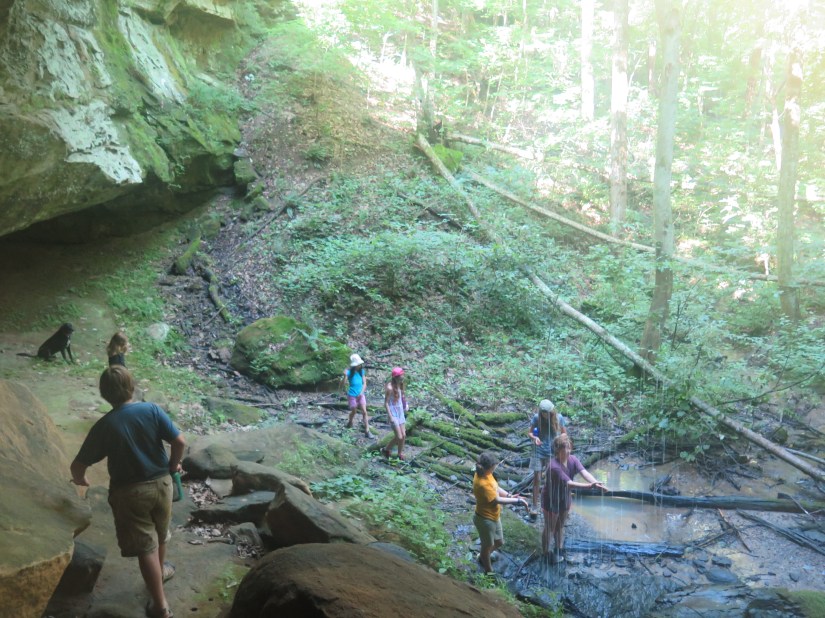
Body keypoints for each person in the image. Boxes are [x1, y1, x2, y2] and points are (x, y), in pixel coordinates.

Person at [70, 366, 186, 618]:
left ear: (104, 394)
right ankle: (160, 573)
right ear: (132, 387)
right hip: (163, 485)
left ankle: (160, 606)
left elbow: (78, 466)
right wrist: (173, 465)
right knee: (160, 534)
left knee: (145, 547)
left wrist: (81, 479)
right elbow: (179, 441)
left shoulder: (104, 425)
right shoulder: (152, 410)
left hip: (130, 493)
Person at [542, 434, 607, 564]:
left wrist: (596, 483)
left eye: (568, 448)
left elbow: (584, 472)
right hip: (551, 499)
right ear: (557, 450)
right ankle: (545, 553)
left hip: (564, 497)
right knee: (550, 527)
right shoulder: (554, 466)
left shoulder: (573, 459)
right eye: (564, 448)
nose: (567, 451)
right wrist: (589, 486)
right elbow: (569, 483)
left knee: (560, 525)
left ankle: (558, 549)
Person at [472, 451, 528, 573]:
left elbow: (496, 487)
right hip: (485, 519)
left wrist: (509, 495)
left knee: (499, 542)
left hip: (493, 516)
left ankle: (484, 556)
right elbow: (497, 500)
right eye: (493, 468)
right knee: (486, 546)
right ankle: (488, 571)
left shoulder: (486, 474)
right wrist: (517, 501)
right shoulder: (482, 483)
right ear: (487, 468)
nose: (494, 470)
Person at [528, 399, 567, 520]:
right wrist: (534, 438)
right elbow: (530, 433)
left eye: (547, 412)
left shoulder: (559, 418)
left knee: (551, 479)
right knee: (537, 479)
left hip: (551, 452)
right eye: (543, 412)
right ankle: (534, 506)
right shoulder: (537, 418)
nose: (545, 414)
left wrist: (559, 440)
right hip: (538, 451)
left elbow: (564, 433)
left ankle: (551, 504)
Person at [381, 367, 408, 459]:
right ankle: (386, 449)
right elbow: (386, 403)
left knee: (403, 435)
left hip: (400, 412)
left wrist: (405, 404)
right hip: (393, 413)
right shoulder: (390, 388)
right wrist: (390, 416)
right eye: (400, 376)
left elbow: (402, 396)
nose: (402, 377)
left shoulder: (400, 383)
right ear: (395, 377)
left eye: (402, 375)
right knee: (399, 436)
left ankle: (399, 454)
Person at [344, 353, 372, 438]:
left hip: (361, 395)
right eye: (358, 364)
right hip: (352, 395)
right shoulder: (349, 373)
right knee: (354, 411)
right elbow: (343, 383)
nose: (359, 366)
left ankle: (367, 430)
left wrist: (361, 393)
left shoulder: (361, 372)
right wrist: (344, 376)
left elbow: (364, 383)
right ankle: (350, 422)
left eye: (359, 364)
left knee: (364, 412)